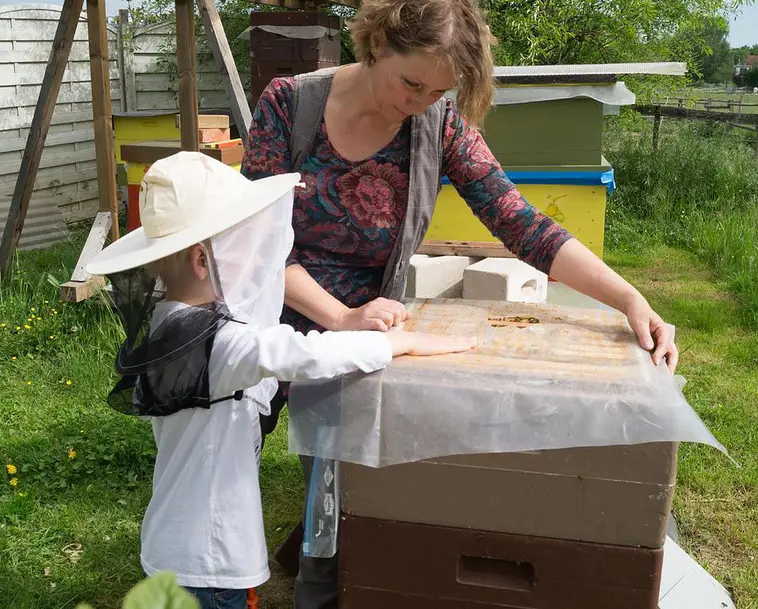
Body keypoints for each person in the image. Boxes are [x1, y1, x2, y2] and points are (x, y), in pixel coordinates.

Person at [241, 1, 679, 606]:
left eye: (439, 90)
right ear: (376, 46)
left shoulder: (438, 122)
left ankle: (324, 582)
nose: (420, 101)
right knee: (226, 457)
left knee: (338, 480)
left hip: (369, 329)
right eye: (412, 82)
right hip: (269, 312)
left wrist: (629, 297)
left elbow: (519, 222)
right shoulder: (289, 105)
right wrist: (338, 318)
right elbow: (254, 248)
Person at [84, 151, 476, 609]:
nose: (253, 255)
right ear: (201, 260)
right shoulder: (222, 345)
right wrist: (400, 343)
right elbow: (308, 354)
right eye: (238, 243)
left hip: (170, 542)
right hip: (213, 560)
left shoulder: (167, 327)